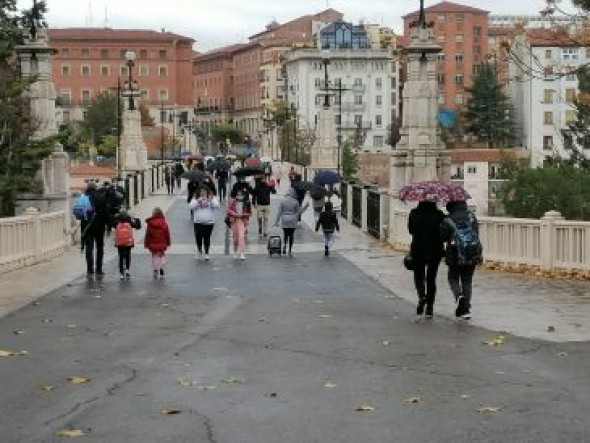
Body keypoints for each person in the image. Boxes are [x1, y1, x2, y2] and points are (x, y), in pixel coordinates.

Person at [440, 200, 482, 320]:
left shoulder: (448, 219)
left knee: (453, 278)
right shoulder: (471, 216)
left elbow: (442, 237)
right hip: (471, 254)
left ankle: (459, 297)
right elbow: (476, 233)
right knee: (467, 281)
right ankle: (465, 310)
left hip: (454, 254)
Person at [407, 196, 445, 319]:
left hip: (418, 248)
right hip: (435, 250)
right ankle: (429, 309)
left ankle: (422, 296)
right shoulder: (439, 215)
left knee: (419, 276)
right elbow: (444, 232)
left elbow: (411, 230)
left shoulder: (414, 213)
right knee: (431, 278)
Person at [80, 182, 109, 280]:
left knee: (89, 248)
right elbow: (106, 213)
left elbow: (80, 213)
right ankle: (99, 270)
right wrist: (108, 226)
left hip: (87, 227)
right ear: (95, 188)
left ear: (87, 188)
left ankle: (89, 270)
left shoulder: (84, 198)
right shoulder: (101, 197)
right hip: (99, 227)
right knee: (100, 247)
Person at [274, 188, 309, 257]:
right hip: (293, 219)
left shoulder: (282, 201)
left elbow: (279, 212)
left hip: (284, 219)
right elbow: (299, 212)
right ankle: (289, 249)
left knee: (285, 234)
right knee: (291, 235)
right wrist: (305, 206)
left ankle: (284, 245)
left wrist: (276, 222)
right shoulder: (295, 201)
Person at [188, 186, 220, 260]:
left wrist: (210, 201)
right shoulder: (196, 198)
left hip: (209, 223)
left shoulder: (212, 198)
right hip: (198, 222)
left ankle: (207, 253)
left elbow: (217, 205)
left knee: (207, 238)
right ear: (199, 192)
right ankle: (199, 251)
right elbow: (190, 206)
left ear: (207, 192)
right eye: (201, 191)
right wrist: (197, 201)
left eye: (204, 191)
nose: (203, 193)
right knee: (198, 238)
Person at [113, 209, 141, 280]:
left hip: (119, 243)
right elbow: (138, 226)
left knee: (121, 256)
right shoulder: (129, 221)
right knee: (128, 255)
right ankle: (127, 269)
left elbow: (110, 223)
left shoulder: (117, 222)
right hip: (128, 242)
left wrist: (114, 217)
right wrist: (136, 218)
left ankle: (121, 273)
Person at [144, 207, 171, 279]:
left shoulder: (150, 223)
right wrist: (168, 242)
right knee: (161, 255)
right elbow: (167, 233)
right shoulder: (164, 222)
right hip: (162, 243)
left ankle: (156, 269)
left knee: (154, 256)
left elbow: (148, 234)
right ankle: (161, 269)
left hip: (153, 243)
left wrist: (146, 243)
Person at [227, 188, 252, 260]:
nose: (239, 196)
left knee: (241, 236)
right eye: (238, 194)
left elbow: (250, 213)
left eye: (241, 195)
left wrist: (242, 214)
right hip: (234, 220)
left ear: (244, 195)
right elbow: (228, 210)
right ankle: (235, 251)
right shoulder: (233, 202)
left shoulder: (247, 202)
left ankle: (242, 253)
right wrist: (234, 214)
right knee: (235, 238)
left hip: (242, 221)